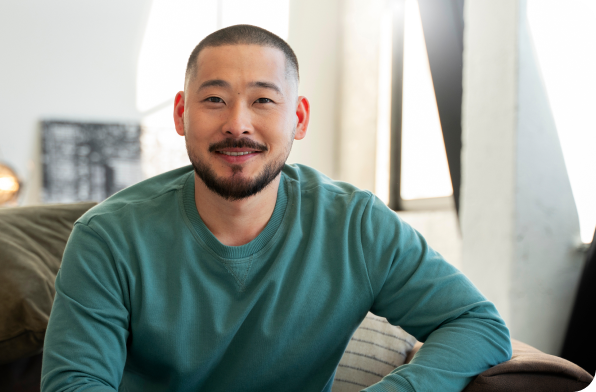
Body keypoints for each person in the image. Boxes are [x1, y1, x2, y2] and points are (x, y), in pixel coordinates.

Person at [41, 24, 511, 392]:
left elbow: (477, 325)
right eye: (214, 99)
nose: (237, 124)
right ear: (182, 114)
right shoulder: (107, 237)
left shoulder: (356, 225)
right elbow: (74, 383)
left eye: (263, 100)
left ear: (298, 118)